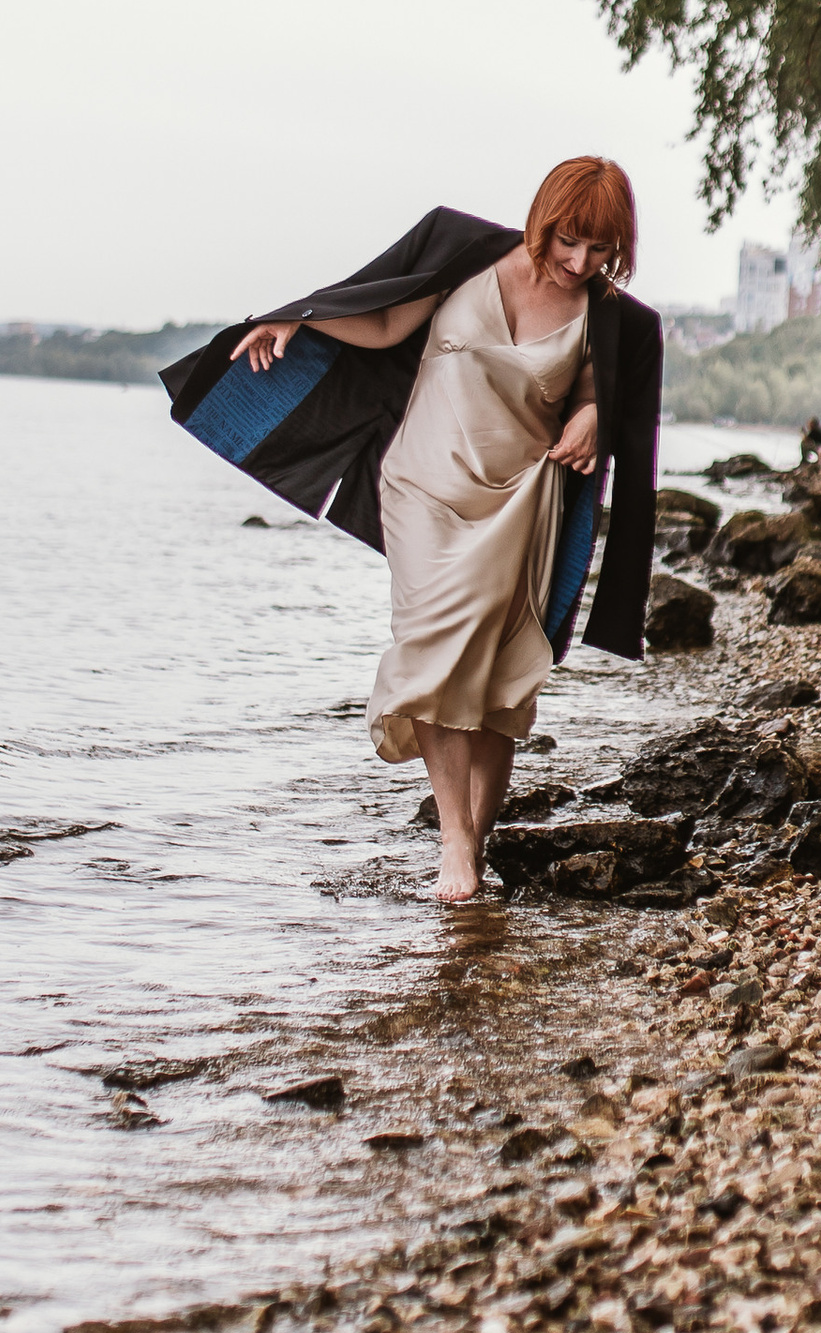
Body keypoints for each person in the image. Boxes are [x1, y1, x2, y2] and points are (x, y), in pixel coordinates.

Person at [162, 163, 664, 905]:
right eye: (569, 242)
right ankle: (455, 846)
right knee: (433, 647)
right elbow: (385, 319)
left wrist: (593, 417)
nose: (579, 263)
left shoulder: (614, 317)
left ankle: (474, 840)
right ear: (543, 218)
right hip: (423, 486)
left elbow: (603, 399)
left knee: (494, 679)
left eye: (598, 250)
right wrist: (298, 318)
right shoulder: (463, 252)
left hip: (521, 501)